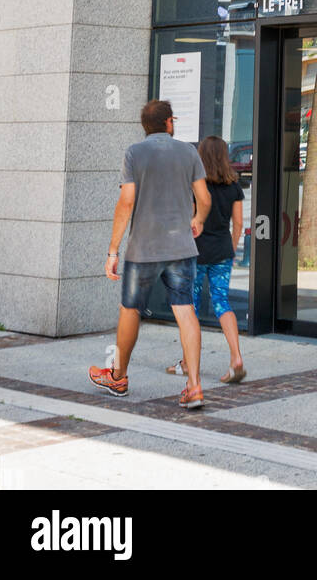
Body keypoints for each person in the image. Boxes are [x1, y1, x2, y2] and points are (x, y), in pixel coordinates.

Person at [89, 99, 210, 409]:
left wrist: (113, 249)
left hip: (143, 248)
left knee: (130, 309)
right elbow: (204, 198)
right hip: (181, 246)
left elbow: (126, 202)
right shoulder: (189, 152)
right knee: (185, 309)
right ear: (169, 122)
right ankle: (194, 386)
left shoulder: (134, 153)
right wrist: (197, 221)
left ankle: (119, 376)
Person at [167, 135, 246, 384]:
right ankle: (236, 358)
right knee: (222, 301)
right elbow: (239, 223)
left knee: (190, 307)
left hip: (196, 252)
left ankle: (187, 364)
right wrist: (231, 250)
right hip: (222, 250)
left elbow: (188, 221)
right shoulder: (234, 185)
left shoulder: (196, 186)